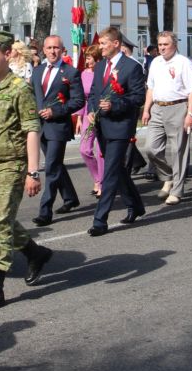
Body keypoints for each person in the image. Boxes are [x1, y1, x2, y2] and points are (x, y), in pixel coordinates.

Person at [0, 30, 54, 312]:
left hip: (12, 165)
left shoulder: (19, 89)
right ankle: (35, 253)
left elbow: (32, 130)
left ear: (7, 54)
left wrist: (33, 172)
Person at [87, 27, 146, 236]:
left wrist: (115, 105)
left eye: (103, 43)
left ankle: (100, 220)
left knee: (110, 172)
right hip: (102, 125)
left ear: (116, 44)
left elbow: (138, 98)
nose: (100, 47)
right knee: (117, 170)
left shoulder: (132, 67)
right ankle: (135, 205)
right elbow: (93, 93)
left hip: (120, 127)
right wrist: (91, 111)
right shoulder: (101, 66)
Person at [30, 35, 86, 226]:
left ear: (62, 50)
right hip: (40, 126)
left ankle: (45, 211)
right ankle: (70, 197)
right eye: (49, 48)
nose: (53, 51)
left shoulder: (70, 72)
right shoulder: (37, 71)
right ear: (43, 50)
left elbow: (78, 100)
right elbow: (33, 96)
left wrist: (55, 111)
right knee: (57, 165)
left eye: (56, 48)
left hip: (58, 126)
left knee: (51, 167)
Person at [141, 31, 192, 205]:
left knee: (178, 151)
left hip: (178, 107)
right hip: (158, 108)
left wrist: (190, 114)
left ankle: (177, 190)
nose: (162, 48)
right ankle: (168, 176)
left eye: (165, 44)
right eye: (160, 44)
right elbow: (151, 88)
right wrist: (146, 110)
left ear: (174, 45)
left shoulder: (183, 62)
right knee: (151, 148)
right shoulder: (156, 62)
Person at [77, 45, 103, 197]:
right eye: (86, 57)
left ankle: (102, 183)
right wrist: (79, 118)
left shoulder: (103, 72)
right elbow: (82, 97)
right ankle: (97, 178)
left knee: (101, 151)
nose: (87, 60)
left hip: (102, 111)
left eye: (89, 57)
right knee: (84, 149)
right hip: (88, 112)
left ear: (97, 58)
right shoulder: (84, 74)